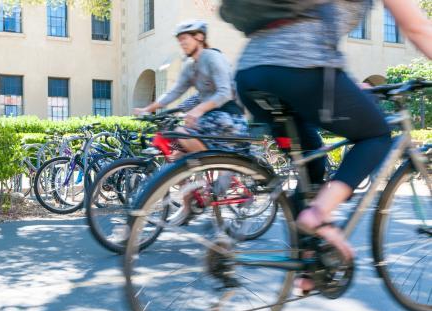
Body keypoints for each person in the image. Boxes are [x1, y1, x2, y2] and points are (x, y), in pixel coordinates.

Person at [233, 0, 432, 292]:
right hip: (301, 67)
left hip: (251, 74)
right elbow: (416, 27)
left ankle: (308, 268)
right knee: (376, 135)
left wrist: (350, 86)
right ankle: (318, 215)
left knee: (310, 164)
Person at [134, 20, 248, 155]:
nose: (181, 43)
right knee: (178, 154)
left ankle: (210, 163)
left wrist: (198, 110)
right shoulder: (190, 66)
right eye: (179, 40)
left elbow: (225, 92)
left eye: (184, 38)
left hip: (231, 118)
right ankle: (198, 173)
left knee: (181, 133)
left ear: (199, 37)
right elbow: (174, 92)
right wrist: (148, 109)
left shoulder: (213, 57)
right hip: (213, 118)